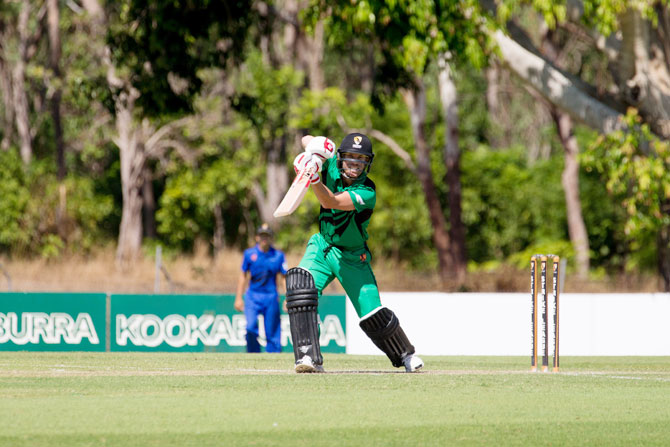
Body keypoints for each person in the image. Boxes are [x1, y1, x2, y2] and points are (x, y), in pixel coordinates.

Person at [284, 133, 424, 373]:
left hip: (351, 256)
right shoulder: (331, 166)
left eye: (360, 161)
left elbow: (331, 202)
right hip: (322, 246)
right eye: (350, 160)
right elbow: (306, 139)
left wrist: (313, 177)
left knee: (373, 314)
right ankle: (308, 358)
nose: (354, 166)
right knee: (300, 291)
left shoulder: (367, 191)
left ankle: (405, 354)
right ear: (340, 159)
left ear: (367, 163)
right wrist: (314, 154)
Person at [235, 223, 287, 353]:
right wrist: (238, 298)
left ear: (271, 238)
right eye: (262, 236)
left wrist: (288, 298)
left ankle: (274, 358)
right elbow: (243, 276)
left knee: (272, 330)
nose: (264, 239)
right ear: (257, 237)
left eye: (267, 236)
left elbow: (283, 278)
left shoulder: (278, 256)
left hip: (270, 296)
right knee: (251, 327)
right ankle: (253, 355)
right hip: (253, 295)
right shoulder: (249, 254)